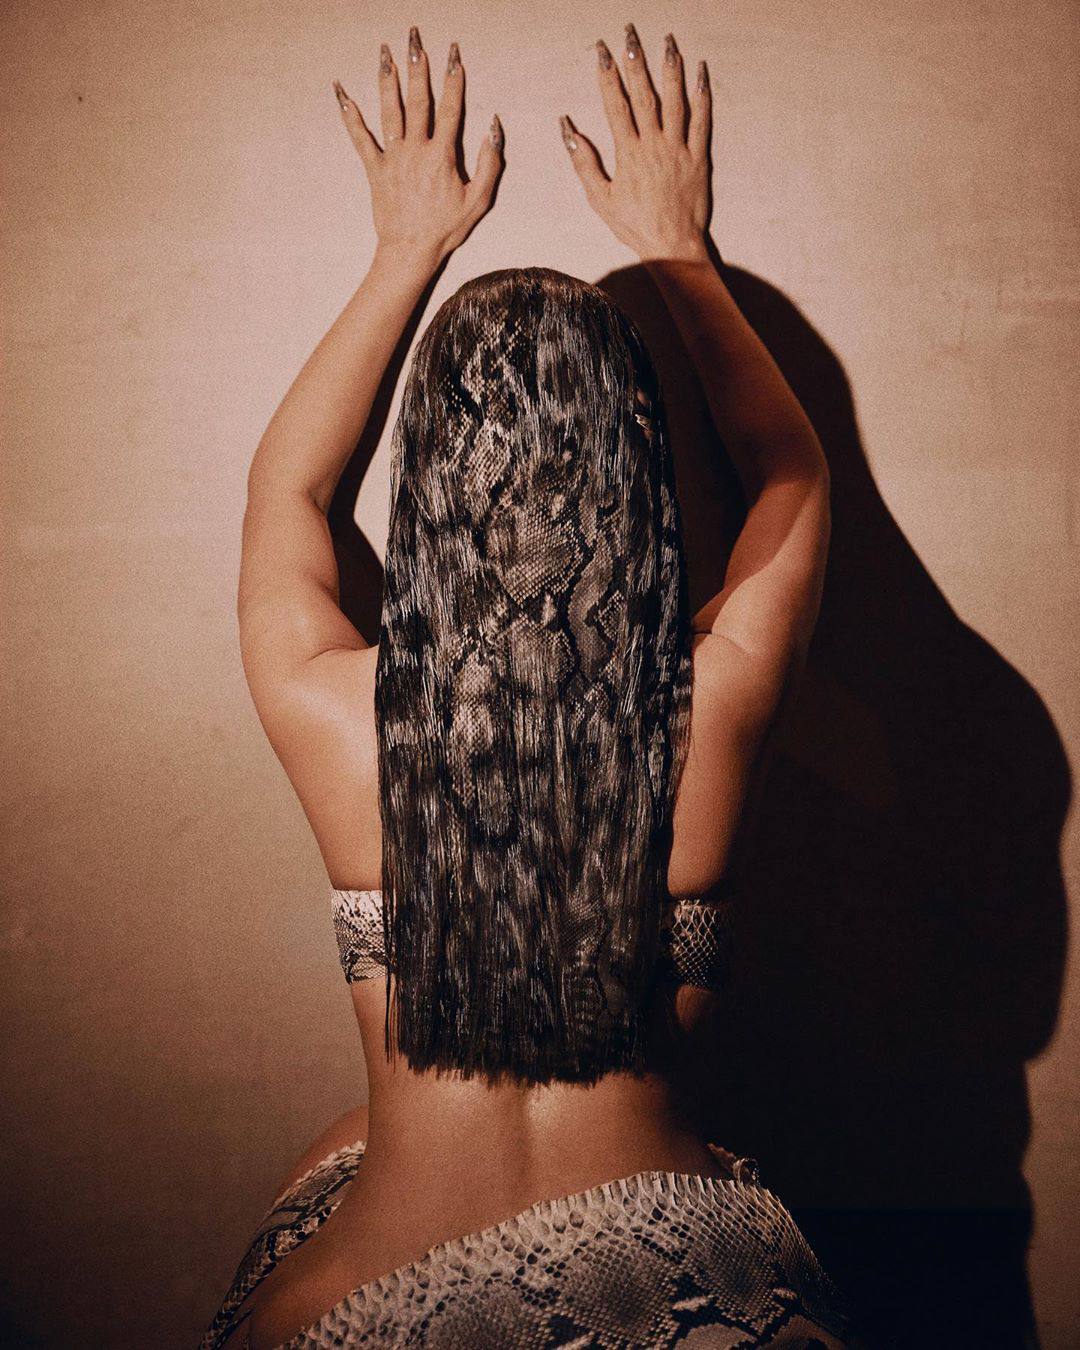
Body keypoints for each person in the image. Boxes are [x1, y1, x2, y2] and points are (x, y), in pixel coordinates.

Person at [201, 21, 851, 1349]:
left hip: (390, 1280)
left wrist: (405, 252)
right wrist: (678, 250)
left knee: (320, 1171)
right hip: (691, 1279)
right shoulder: (713, 705)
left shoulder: (335, 709)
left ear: (432, 483)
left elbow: (290, 491)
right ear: (632, 475)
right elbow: (793, 474)